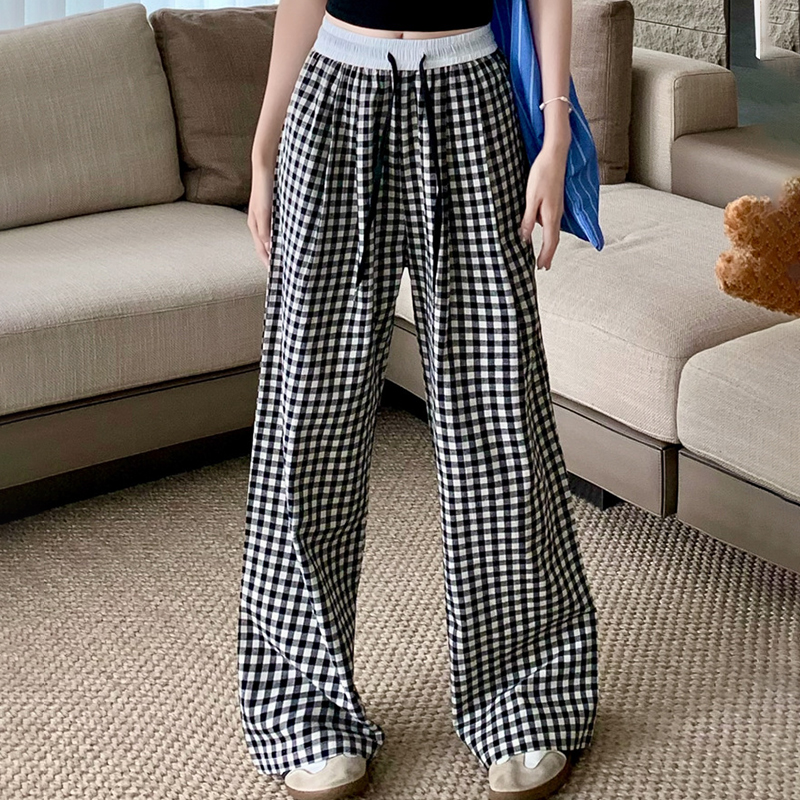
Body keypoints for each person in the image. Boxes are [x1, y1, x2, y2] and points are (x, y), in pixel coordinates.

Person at [238, 1, 600, 799]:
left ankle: (523, 695)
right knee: (306, 418)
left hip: (471, 96)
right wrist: (264, 147)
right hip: (334, 95)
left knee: (499, 412)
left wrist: (555, 135)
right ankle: (305, 708)